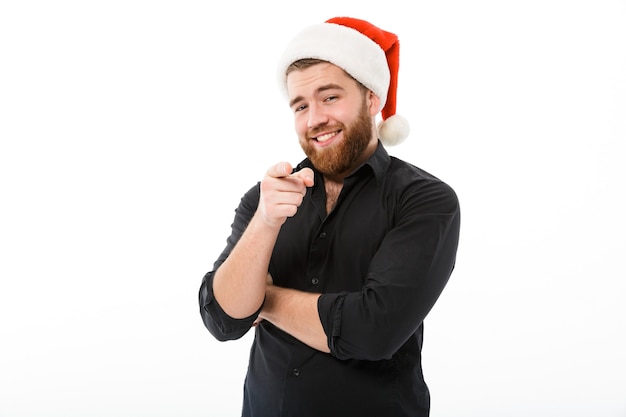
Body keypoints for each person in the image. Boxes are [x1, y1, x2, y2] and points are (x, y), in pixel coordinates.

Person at [199, 16, 460, 417]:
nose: (314, 118)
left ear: (372, 99)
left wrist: (262, 300)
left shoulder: (424, 200)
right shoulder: (266, 199)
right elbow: (223, 319)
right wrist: (267, 222)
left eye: (330, 97)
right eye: (300, 105)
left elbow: (373, 332)